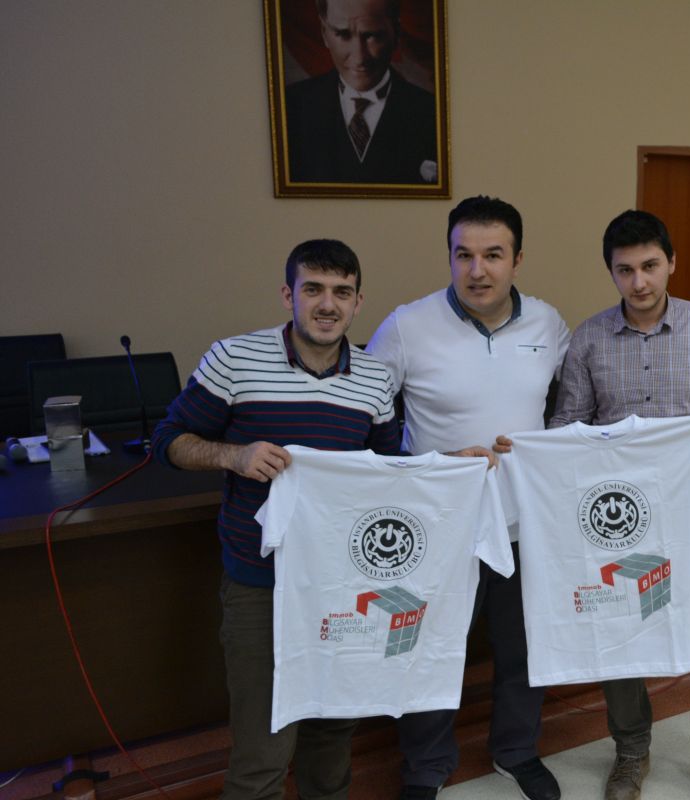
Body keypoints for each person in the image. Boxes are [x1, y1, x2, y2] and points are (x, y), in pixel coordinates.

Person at [152, 239, 489, 800]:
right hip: (261, 582)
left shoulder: (375, 380)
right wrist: (233, 455)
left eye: (341, 292)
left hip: (343, 585)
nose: (327, 304)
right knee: (262, 750)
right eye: (313, 289)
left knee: (333, 734)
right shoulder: (234, 359)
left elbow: (387, 474)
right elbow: (168, 441)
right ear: (289, 295)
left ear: (358, 302)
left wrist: (448, 466)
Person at [543, 210, 690, 800]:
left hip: (689, 508)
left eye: (649, 266)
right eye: (625, 270)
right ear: (610, 272)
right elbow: (568, 424)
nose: (639, 282)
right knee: (620, 631)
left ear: (671, 263)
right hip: (615, 517)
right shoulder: (589, 337)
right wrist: (540, 452)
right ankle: (630, 752)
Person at [367, 196, 570, 800]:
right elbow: (367, 424)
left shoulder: (548, 324)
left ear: (517, 260)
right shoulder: (405, 327)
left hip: (523, 522)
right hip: (440, 526)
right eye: (463, 255)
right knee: (429, 649)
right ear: (450, 257)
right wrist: (429, 467)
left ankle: (516, 750)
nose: (477, 270)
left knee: (523, 646)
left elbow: (572, 407)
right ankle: (426, 766)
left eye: (492, 255)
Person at [285, 0, 438, 185]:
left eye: (371, 35)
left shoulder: (433, 114)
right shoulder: (289, 107)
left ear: (396, 33)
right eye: (343, 34)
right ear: (324, 33)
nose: (359, 58)